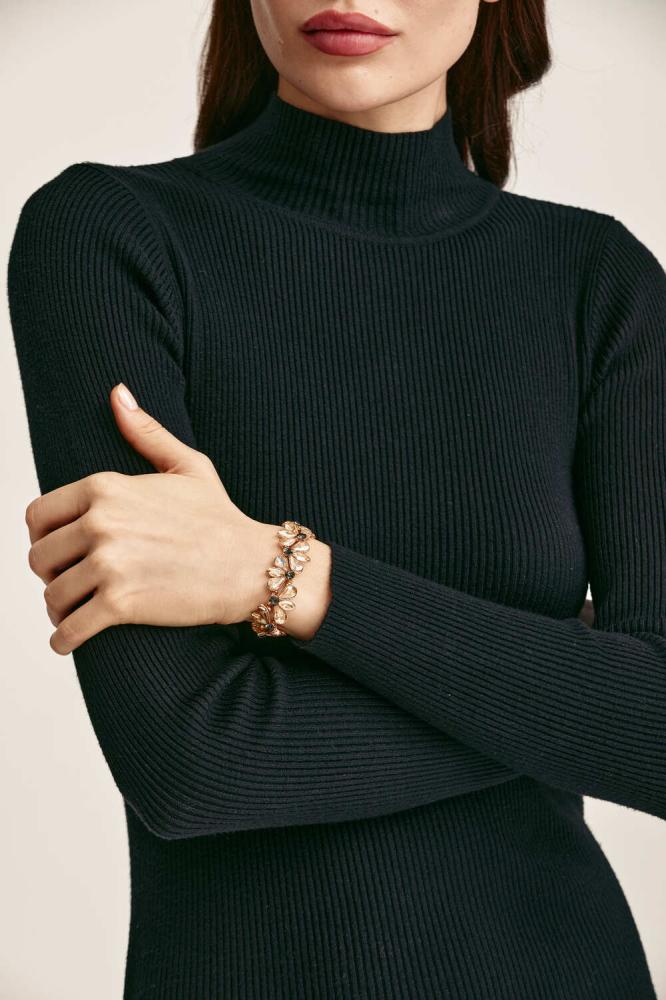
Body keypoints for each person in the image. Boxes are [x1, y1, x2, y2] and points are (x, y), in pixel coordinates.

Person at [7, 0, 665, 995]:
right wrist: (567, 694)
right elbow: (194, 766)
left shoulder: (597, 282)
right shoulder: (111, 236)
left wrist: (282, 575)